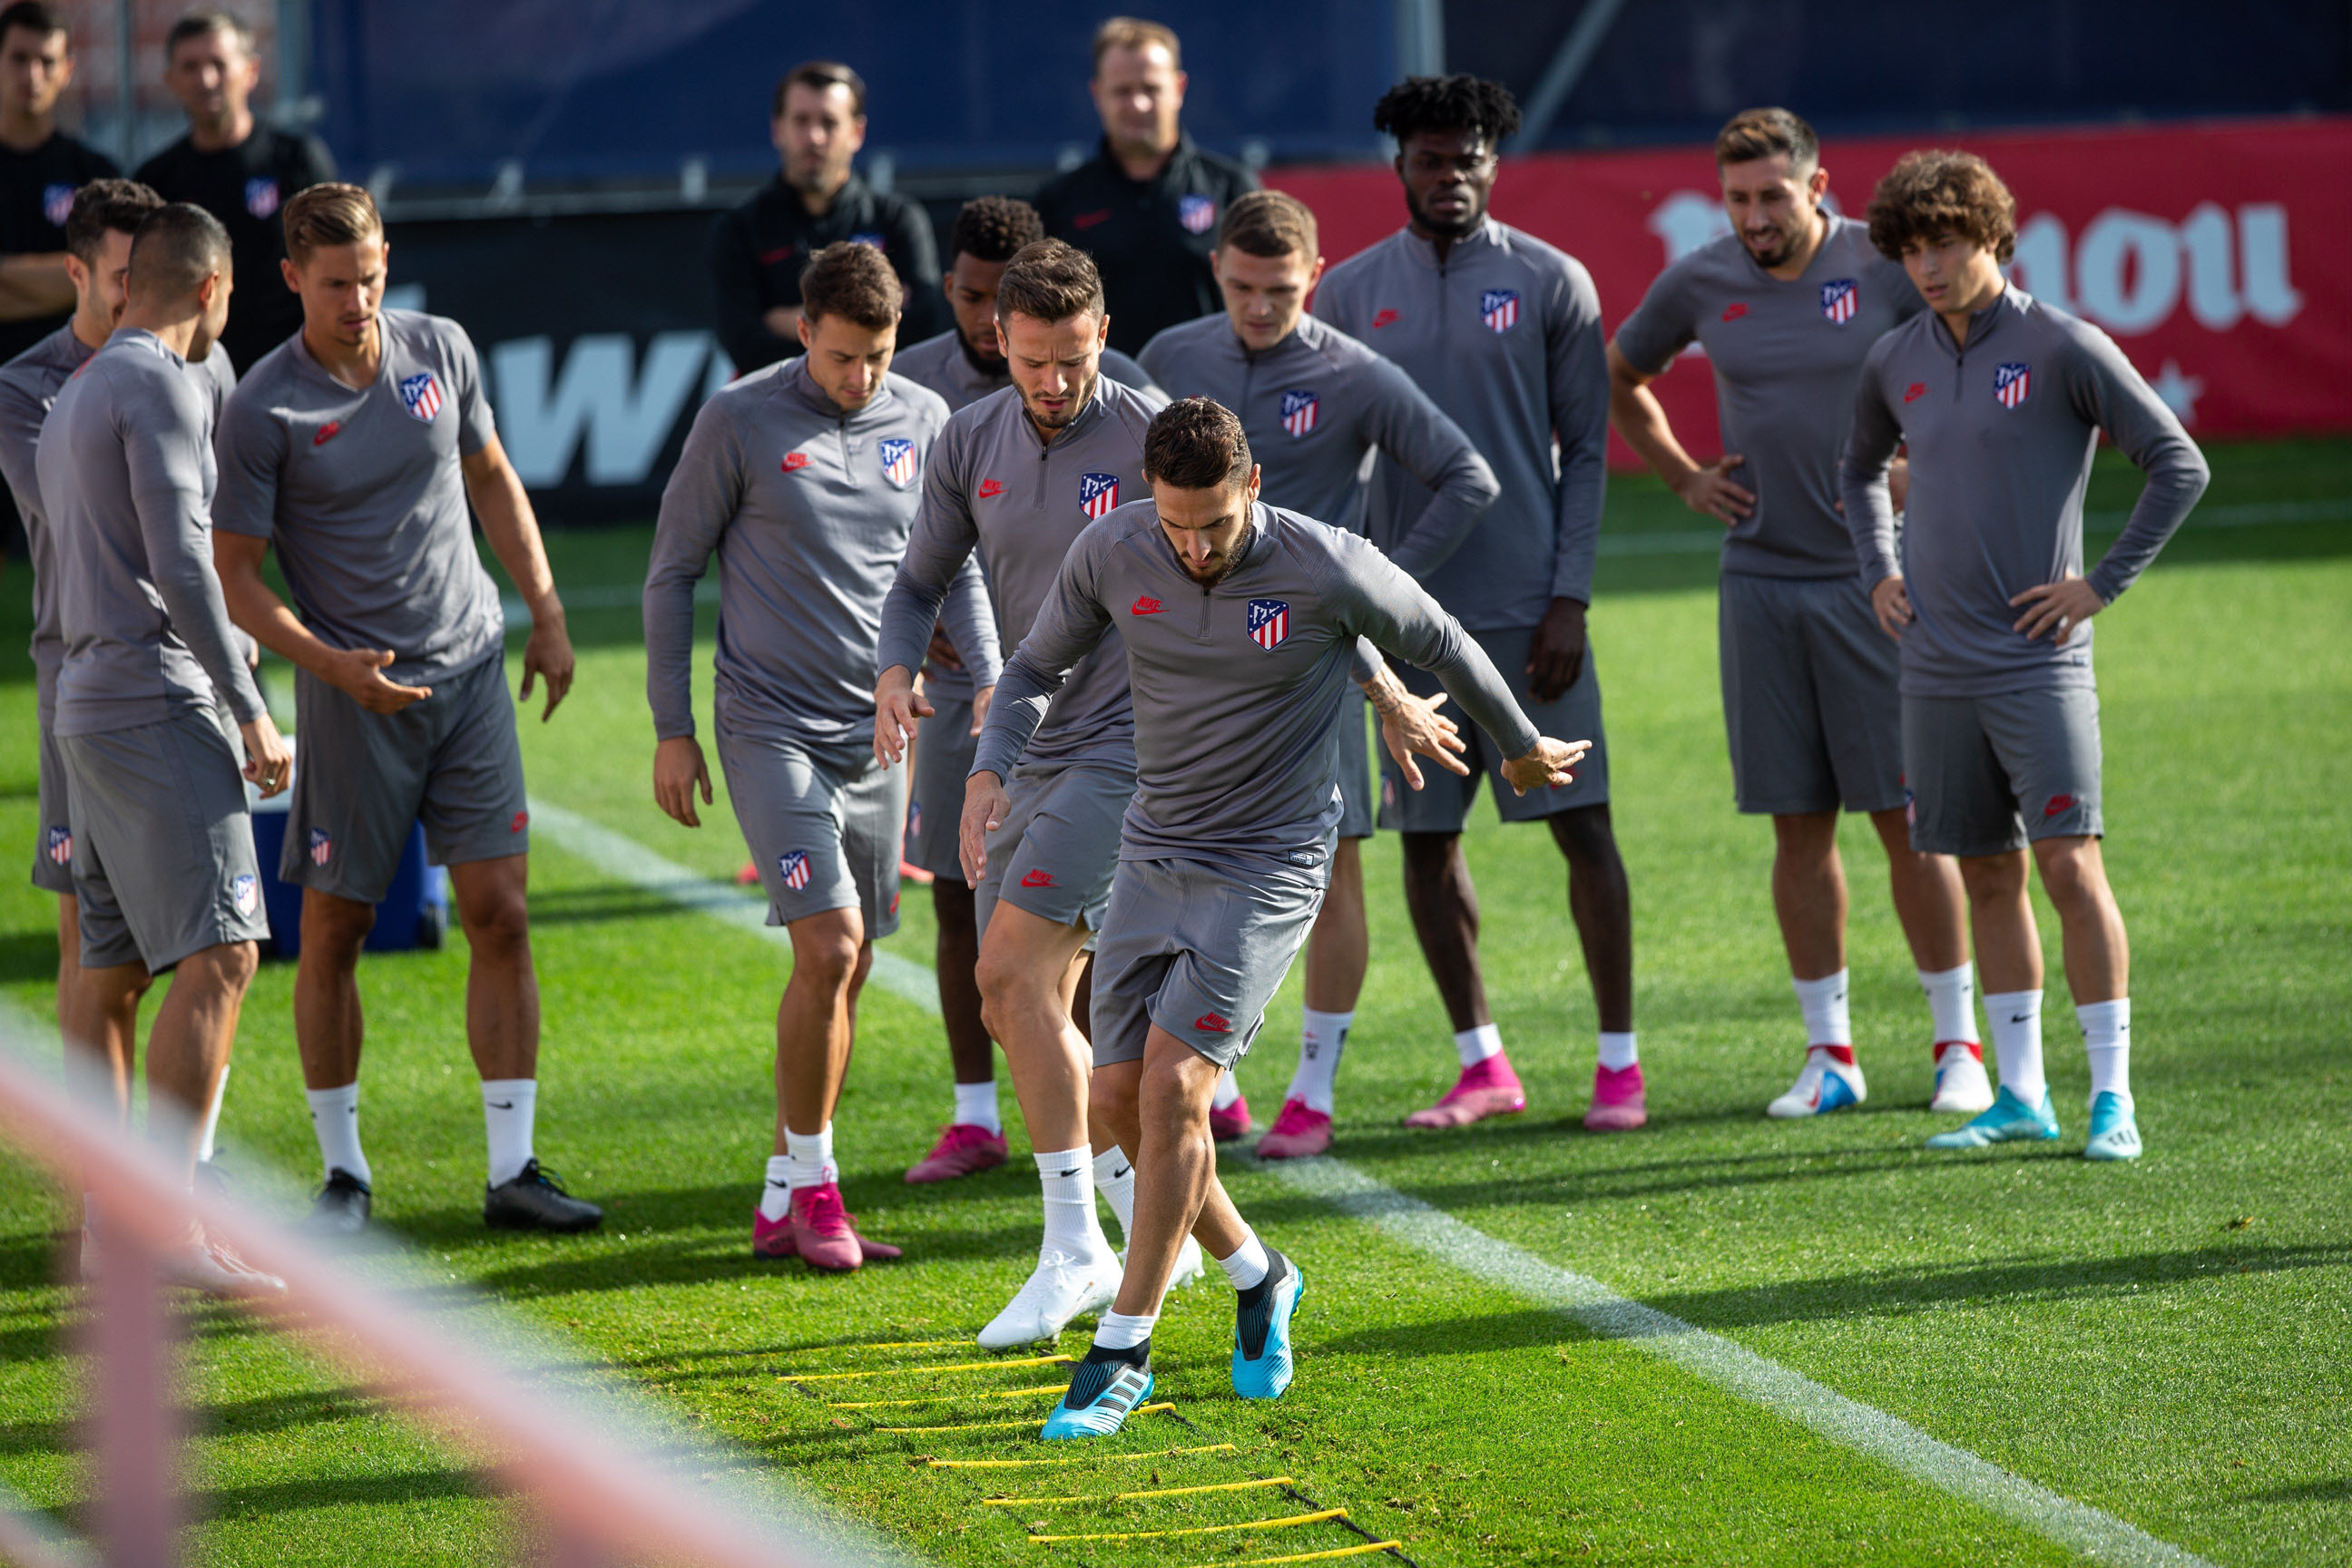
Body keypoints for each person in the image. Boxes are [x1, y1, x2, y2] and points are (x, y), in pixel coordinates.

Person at [966, 397, 1584, 1437]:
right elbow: (1034, 664)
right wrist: (992, 769)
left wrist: (1518, 741)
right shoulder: (1115, 548)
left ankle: (1125, 1349)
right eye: (1177, 526)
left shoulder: (1325, 562)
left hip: (1270, 866)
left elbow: (1445, 639)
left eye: (1214, 522)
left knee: (1172, 1090)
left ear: (1251, 486)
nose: (1196, 547)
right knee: (1121, 1101)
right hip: (1153, 850)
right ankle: (1261, 1275)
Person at [211, 183, 598, 1234]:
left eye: (373, 276)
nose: (360, 300)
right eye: (337, 283)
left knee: (501, 915)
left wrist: (547, 609)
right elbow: (236, 576)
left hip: (472, 671)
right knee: (333, 931)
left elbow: (493, 478)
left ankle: (514, 1170)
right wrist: (326, 667)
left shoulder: (442, 349)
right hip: (354, 700)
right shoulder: (262, 406)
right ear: (292, 278)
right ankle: (343, 1177)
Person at [1607, 108, 1987, 1121]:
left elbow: (1979, 356)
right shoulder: (1700, 280)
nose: (1755, 216)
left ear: (1818, 187)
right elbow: (1625, 374)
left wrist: (1930, 466)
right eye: (1738, 198)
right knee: (1796, 827)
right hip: (1760, 584)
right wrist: (1684, 476)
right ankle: (1832, 1056)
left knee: (1907, 819)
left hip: (1882, 582)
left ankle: (1959, 1044)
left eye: (1773, 195)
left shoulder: (1885, 265)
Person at [1842, 150, 2206, 1162]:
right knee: (1987, 875)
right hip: (1934, 665)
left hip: (2039, 664)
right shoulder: (1896, 356)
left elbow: (2179, 462)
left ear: (1993, 237)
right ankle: (2022, 1095)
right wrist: (1879, 570)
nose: (1928, 266)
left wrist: (2101, 584)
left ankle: (2113, 1099)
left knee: (2069, 867)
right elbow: (1859, 469)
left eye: (1945, 243)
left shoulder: (2062, 346)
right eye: (1911, 250)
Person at [646, 242, 997, 1269]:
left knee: (847, 970)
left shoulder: (926, 421)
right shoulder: (740, 418)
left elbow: (954, 567)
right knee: (832, 947)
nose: (863, 378)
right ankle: (821, 1194)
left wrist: (992, 678)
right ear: (804, 333)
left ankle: (777, 1193)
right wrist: (673, 729)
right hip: (768, 727)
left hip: (884, 728)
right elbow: (670, 575)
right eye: (843, 357)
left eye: (880, 356)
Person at [1137, 190, 1501, 1158]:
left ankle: (1315, 1089)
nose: (1263, 307)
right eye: (1247, 287)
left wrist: (1381, 591)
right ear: (1217, 270)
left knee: (1332, 870)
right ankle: (1217, 1077)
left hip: (1326, 670)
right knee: (1184, 861)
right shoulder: (1171, 358)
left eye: (1284, 291)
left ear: (1317, 277)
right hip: (1197, 668)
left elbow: (1468, 474)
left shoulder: (1354, 372)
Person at [1314, 74, 1642, 1132]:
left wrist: (1570, 598)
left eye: (1469, 160)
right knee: (1425, 842)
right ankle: (1481, 1062)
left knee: (1581, 830)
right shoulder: (1353, 293)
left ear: (1494, 164)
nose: (1451, 177)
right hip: (1407, 618)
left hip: (1528, 607)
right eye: (1431, 160)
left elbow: (1588, 453)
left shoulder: (1554, 282)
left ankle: (1619, 1063)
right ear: (1398, 166)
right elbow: (1340, 458)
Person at [876, 238, 1180, 1346]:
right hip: (1029, 736)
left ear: (1103, 334)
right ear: (998, 339)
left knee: (1009, 966)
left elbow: (1265, 560)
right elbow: (919, 581)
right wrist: (897, 674)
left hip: (1139, 749)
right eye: (1033, 359)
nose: (1054, 383)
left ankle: (1075, 1250)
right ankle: (1184, 1234)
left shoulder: (1154, 435)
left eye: (1074, 357)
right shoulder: (967, 439)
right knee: (1014, 1001)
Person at [37, 201, 290, 1293]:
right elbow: (186, 562)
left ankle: (111, 1228)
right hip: (154, 699)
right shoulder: (157, 384)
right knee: (224, 951)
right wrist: (249, 705)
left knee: (116, 962)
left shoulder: (75, 394)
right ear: (210, 290)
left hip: (84, 708)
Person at [0, 176, 237, 1142]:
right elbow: (120, 533)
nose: (133, 292)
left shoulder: (204, 370)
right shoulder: (31, 389)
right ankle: (120, 1199)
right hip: (92, 679)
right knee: (106, 955)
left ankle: (172, 1186)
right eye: (116, 277)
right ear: (79, 274)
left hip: (179, 672)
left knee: (201, 948)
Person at [1034, 17, 1258, 357]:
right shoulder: (1060, 200)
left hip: (1208, 398)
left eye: (1150, 89)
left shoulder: (1231, 188)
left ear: (1179, 89)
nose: (1137, 104)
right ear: (1097, 94)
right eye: (1122, 91)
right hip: (1098, 400)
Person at [710, 60, 941, 375]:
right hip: (773, 412)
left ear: (857, 132)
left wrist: (793, 320)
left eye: (829, 122)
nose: (815, 137)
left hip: (883, 412)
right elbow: (744, 344)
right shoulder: (739, 229)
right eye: (801, 121)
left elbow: (924, 328)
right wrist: (870, 322)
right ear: (778, 129)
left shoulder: (898, 220)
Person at [134, 10, 334, 374]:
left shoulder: (297, 161)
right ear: (170, 79)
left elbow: (334, 264)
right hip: (192, 378)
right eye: (190, 67)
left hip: (294, 371)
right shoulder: (156, 180)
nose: (206, 79)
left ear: (251, 71)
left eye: (218, 64)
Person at [0, 2, 117, 366]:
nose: (32, 74)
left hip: (74, 386)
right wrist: (76, 278)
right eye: (19, 58)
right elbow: (93, 283)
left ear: (67, 70)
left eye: (47, 61)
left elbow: (112, 285)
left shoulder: (96, 176)